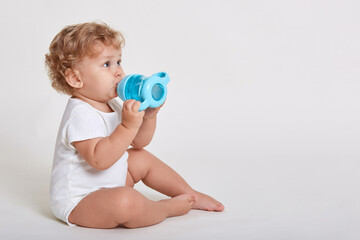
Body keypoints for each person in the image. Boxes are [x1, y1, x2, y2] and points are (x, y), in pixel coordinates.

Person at [45, 21, 224, 229]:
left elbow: (139, 142)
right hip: (81, 201)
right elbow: (99, 159)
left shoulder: (112, 104)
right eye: (106, 64)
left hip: (112, 183)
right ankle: (166, 208)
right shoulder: (79, 114)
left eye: (119, 61)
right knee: (125, 201)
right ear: (76, 78)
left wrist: (148, 117)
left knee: (140, 158)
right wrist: (128, 127)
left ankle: (189, 193)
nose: (119, 72)